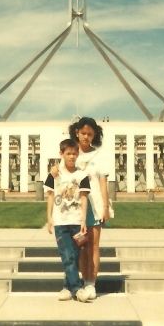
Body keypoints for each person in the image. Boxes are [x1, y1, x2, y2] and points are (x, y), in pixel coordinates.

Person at [51, 117, 110, 301]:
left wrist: (106, 206)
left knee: (92, 245)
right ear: (76, 132)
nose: (86, 137)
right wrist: (53, 168)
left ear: (95, 135)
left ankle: (90, 283)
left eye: (90, 134)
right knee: (76, 248)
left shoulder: (99, 155)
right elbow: (59, 174)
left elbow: (103, 183)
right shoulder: (71, 152)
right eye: (83, 133)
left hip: (93, 205)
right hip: (73, 209)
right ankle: (71, 285)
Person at [44, 138, 92, 302]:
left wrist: (84, 220)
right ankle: (78, 289)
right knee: (67, 256)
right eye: (68, 153)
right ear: (61, 154)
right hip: (60, 222)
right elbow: (50, 196)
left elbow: (84, 198)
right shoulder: (54, 174)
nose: (71, 156)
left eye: (74, 153)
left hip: (77, 221)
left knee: (75, 256)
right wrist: (49, 218)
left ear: (78, 154)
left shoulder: (82, 175)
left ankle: (66, 288)